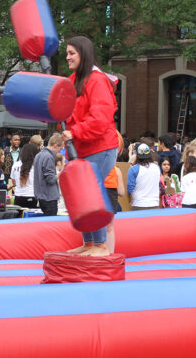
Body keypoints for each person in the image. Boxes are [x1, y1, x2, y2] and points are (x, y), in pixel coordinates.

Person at [61, 36, 120, 257]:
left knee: (90, 194)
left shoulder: (96, 80)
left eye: (71, 53)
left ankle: (101, 245)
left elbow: (101, 118)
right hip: (82, 149)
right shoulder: (74, 79)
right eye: (66, 53)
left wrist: (74, 132)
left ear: (83, 54)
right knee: (81, 196)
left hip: (99, 148)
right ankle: (89, 244)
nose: (67, 57)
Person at [33, 134, 63, 216]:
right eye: (60, 148)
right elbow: (50, 179)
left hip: (41, 196)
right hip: (49, 197)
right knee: (51, 224)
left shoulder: (38, 155)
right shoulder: (49, 157)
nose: (60, 151)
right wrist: (62, 173)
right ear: (56, 145)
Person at [127, 143, 161, 211]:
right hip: (154, 204)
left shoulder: (133, 169)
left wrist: (130, 201)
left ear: (137, 155)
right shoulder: (157, 168)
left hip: (138, 204)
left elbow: (130, 189)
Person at [9, 143, 39, 209]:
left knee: (18, 217)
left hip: (18, 196)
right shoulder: (36, 166)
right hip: (31, 196)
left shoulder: (15, 165)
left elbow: (14, 182)